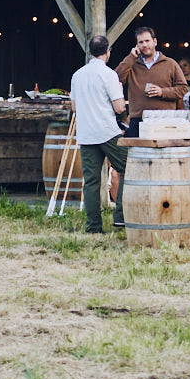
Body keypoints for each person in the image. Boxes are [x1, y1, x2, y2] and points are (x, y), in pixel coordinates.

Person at [69, 34, 127, 233]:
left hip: (86, 133)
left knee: (92, 181)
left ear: (90, 52)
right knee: (129, 168)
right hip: (107, 132)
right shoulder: (109, 74)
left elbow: (74, 107)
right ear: (107, 51)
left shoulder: (77, 75)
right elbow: (119, 107)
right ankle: (120, 216)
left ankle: (93, 226)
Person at [115, 25, 188, 135]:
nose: (144, 45)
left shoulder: (170, 63)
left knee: (165, 153)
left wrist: (162, 92)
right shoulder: (131, 64)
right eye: (141, 42)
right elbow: (115, 80)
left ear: (155, 42)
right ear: (136, 45)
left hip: (165, 120)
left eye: (147, 41)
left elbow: (184, 89)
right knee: (137, 153)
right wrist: (130, 58)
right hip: (138, 121)